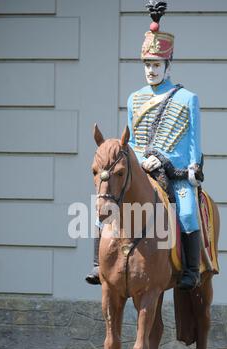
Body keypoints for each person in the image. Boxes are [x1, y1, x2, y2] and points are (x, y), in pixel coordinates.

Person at [86, 1, 202, 290]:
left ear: (167, 65)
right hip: (142, 167)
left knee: (186, 212)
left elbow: (193, 144)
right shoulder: (135, 98)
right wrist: (140, 159)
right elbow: (133, 141)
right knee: (104, 202)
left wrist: (180, 166)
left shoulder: (187, 98)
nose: (151, 71)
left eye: (156, 65)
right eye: (147, 65)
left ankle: (191, 270)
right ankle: (98, 265)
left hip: (175, 171)